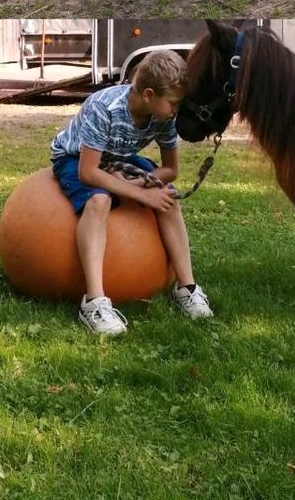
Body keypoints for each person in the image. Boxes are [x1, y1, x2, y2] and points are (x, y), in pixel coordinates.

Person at [49, 50, 213, 335]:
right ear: (149, 94)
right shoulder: (104, 107)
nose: (177, 110)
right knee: (99, 200)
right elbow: (88, 173)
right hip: (76, 158)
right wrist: (140, 194)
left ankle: (187, 287)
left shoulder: (164, 117)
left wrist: (138, 185)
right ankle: (94, 302)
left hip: (119, 157)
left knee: (168, 197)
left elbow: (170, 170)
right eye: (174, 103)